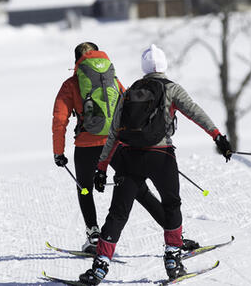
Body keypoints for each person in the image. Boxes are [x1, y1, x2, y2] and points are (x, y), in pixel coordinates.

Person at [78, 44, 232, 285]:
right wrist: (217, 136)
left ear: (144, 67)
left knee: (117, 213)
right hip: (162, 157)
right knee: (171, 204)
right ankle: (173, 260)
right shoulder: (172, 88)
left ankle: (99, 267)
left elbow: (114, 133)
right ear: (164, 65)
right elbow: (195, 112)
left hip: (130, 158)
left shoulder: (129, 91)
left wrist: (102, 167)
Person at [52, 42, 201, 254]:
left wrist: (58, 151)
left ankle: (94, 235)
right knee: (137, 188)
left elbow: (60, 119)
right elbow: (131, 107)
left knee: (85, 187)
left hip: (86, 143)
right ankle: (175, 235)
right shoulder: (112, 80)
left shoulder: (71, 84)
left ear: (76, 61)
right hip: (116, 144)